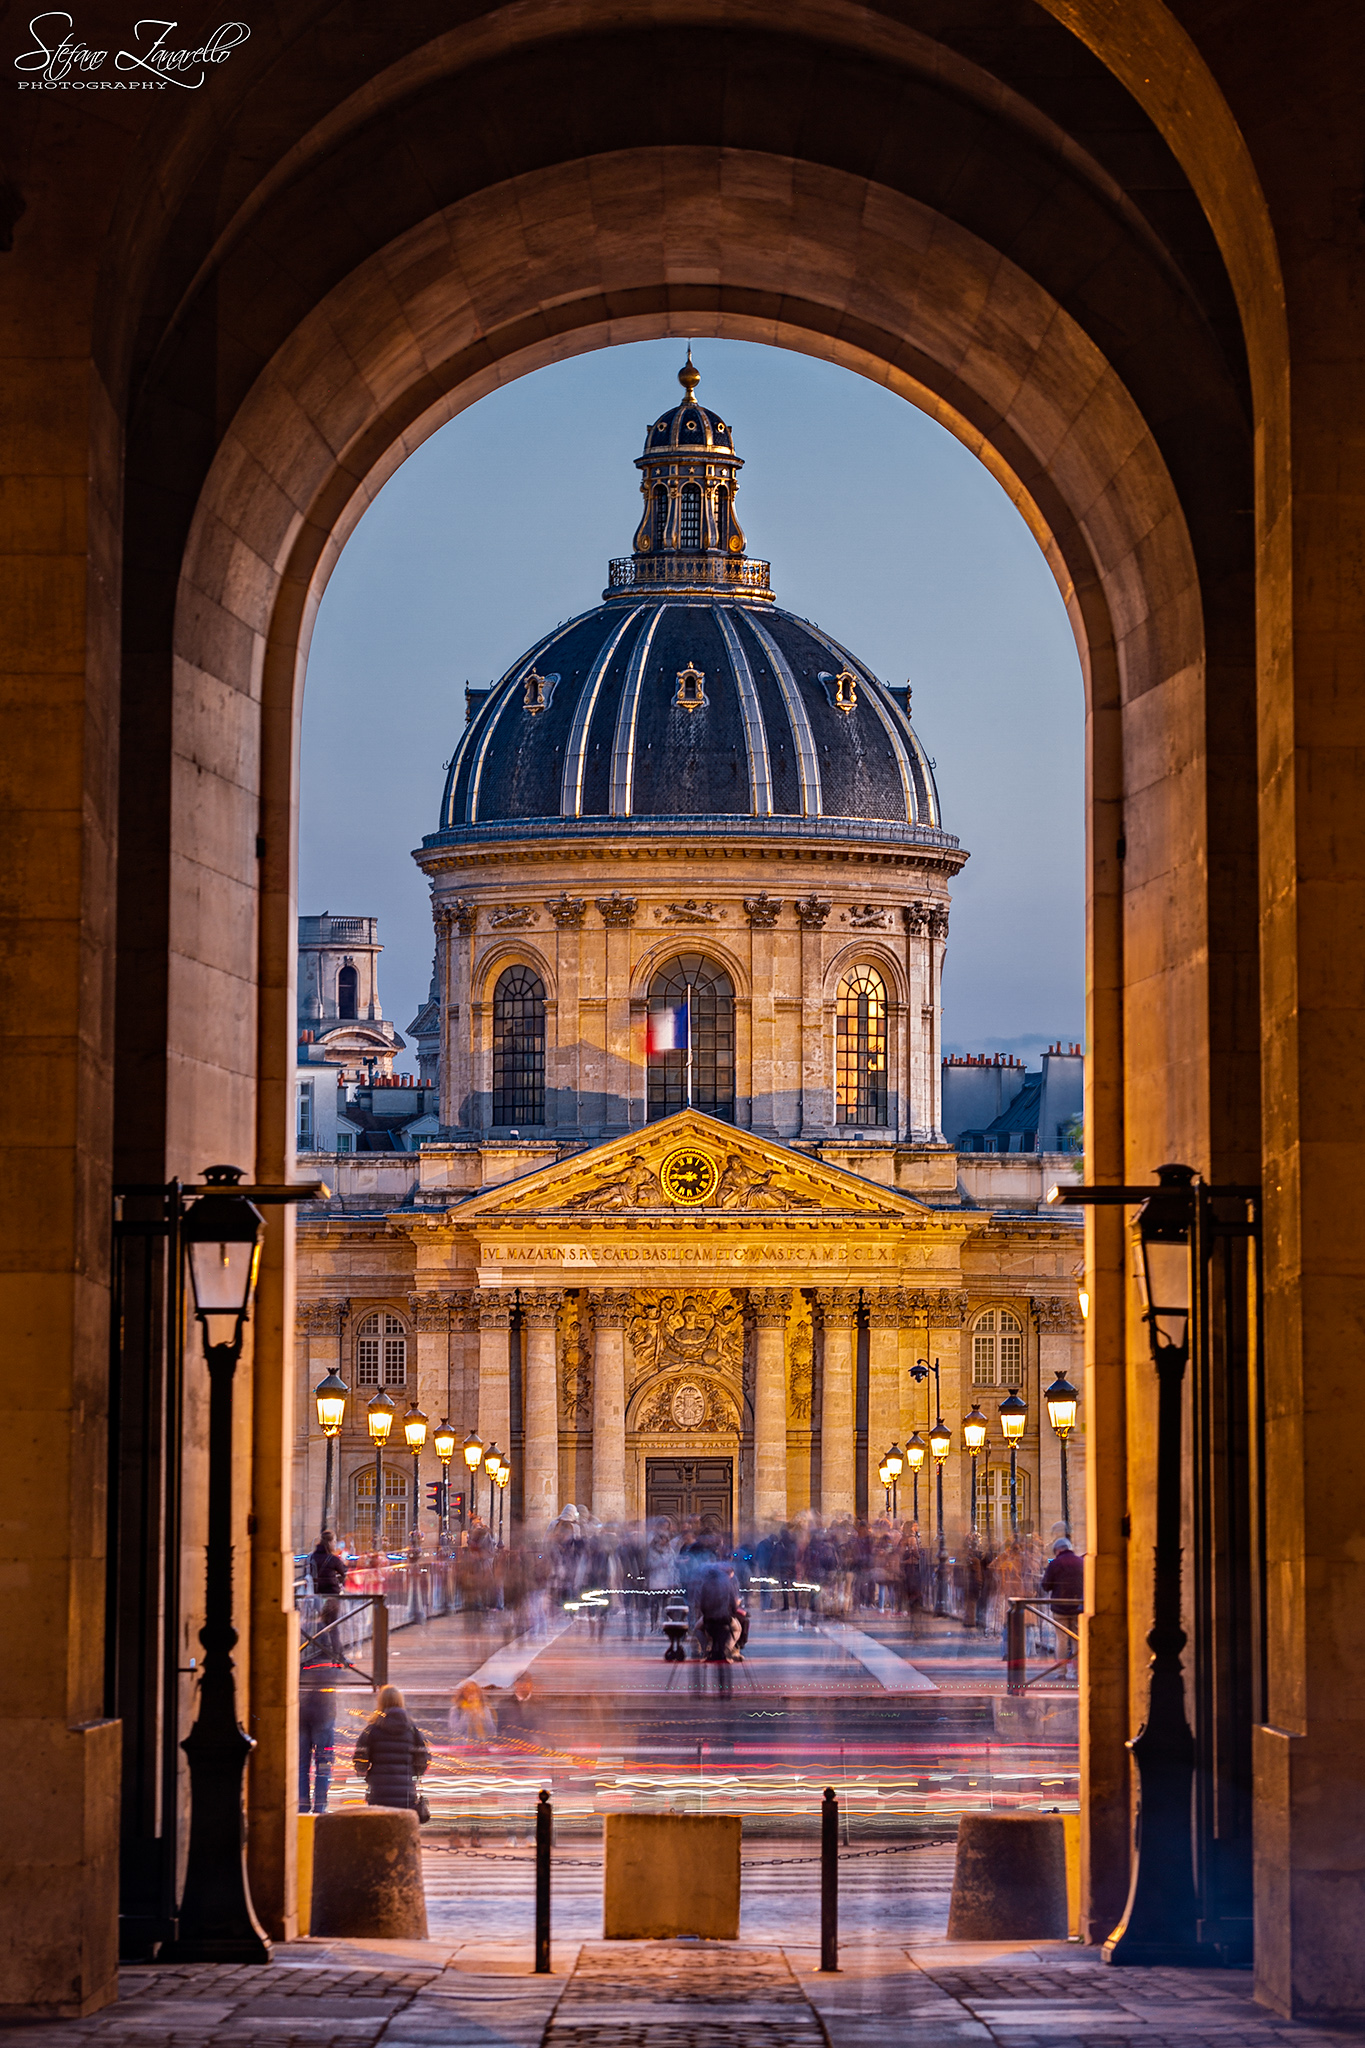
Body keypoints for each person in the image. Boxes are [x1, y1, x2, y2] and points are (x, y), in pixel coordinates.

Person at [299, 1596, 346, 1813]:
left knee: (302, 1762)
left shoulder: (305, 1632)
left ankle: (301, 1803)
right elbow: (339, 1666)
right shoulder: (330, 1635)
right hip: (324, 1710)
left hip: (301, 1709)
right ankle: (320, 1805)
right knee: (324, 1762)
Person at [352, 1684, 431, 1810]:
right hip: (405, 1793)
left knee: (379, 1826)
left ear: (380, 1702)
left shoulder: (371, 1730)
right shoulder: (412, 1730)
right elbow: (424, 1758)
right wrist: (413, 1776)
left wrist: (368, 1777)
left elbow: (360, 1758)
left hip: (378, 1791)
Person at [1040, 1537, 1084, 1677]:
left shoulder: (1055, 1563)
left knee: (1061, 1641)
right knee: (1077, 1640)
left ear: (1057, 1550)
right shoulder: (1080, 1562)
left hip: (1060, 1608)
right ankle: (1078, 1672)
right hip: (1078, 1607)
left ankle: (1061, 1672)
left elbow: (1046, 1586)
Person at [309, 1529, 347, 1598]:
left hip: (317, 1592)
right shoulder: (333, 1559)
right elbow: (344, 1572)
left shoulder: (312, 1556)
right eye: (334, 1541)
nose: (335, 1544)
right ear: (329, 1543)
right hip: (332, 1593)